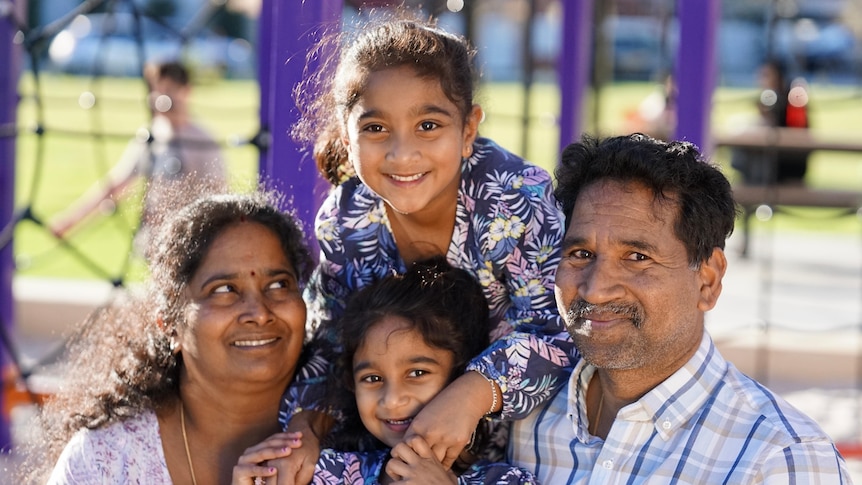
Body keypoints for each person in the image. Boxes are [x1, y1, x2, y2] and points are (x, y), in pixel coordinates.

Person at [279, 10, 574, 483]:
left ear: (469, 130)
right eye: (375, 129)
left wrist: (473, 393)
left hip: (517, 448)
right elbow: (331, 340)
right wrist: (304, 430)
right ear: (346, 133)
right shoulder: (346, 220)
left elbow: (561, 331)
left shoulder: (514, 199)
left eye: (429, 126)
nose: (402, 154)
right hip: (389, 446)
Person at [508, 133, 853, 483]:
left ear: (707, 281)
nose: (596, 290)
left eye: (638, 258)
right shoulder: (521, 414)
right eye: (581, 254)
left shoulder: (781, 462)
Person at [20, 191, 314, 484]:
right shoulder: (107, 460)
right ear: (170, 324)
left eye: (278, 284)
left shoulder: (342, 448)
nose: (259, 313)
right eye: (224, 290)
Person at [237, 257, 539, 484]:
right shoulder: (326, 475)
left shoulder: (510, 480)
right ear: (351, 383)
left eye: (418, 373)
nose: (392, 399)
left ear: (461, 375)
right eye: (373, 378)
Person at [50, 60, 227, 252]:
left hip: (191, 245)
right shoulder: (150, 136)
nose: (161, 98)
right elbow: (117, 184)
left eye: (169, 89)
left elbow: (218, 196)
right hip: (157, 242)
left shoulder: (202, 141)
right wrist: (72, 220)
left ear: (186, 91)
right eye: (156, 90)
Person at [730, 58, 812, 185]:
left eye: (766, 75)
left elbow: (796, 134)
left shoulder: (791, 98)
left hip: (787, 164)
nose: (761, 80)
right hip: (776, 158)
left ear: (778, 77)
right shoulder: (774, 97)